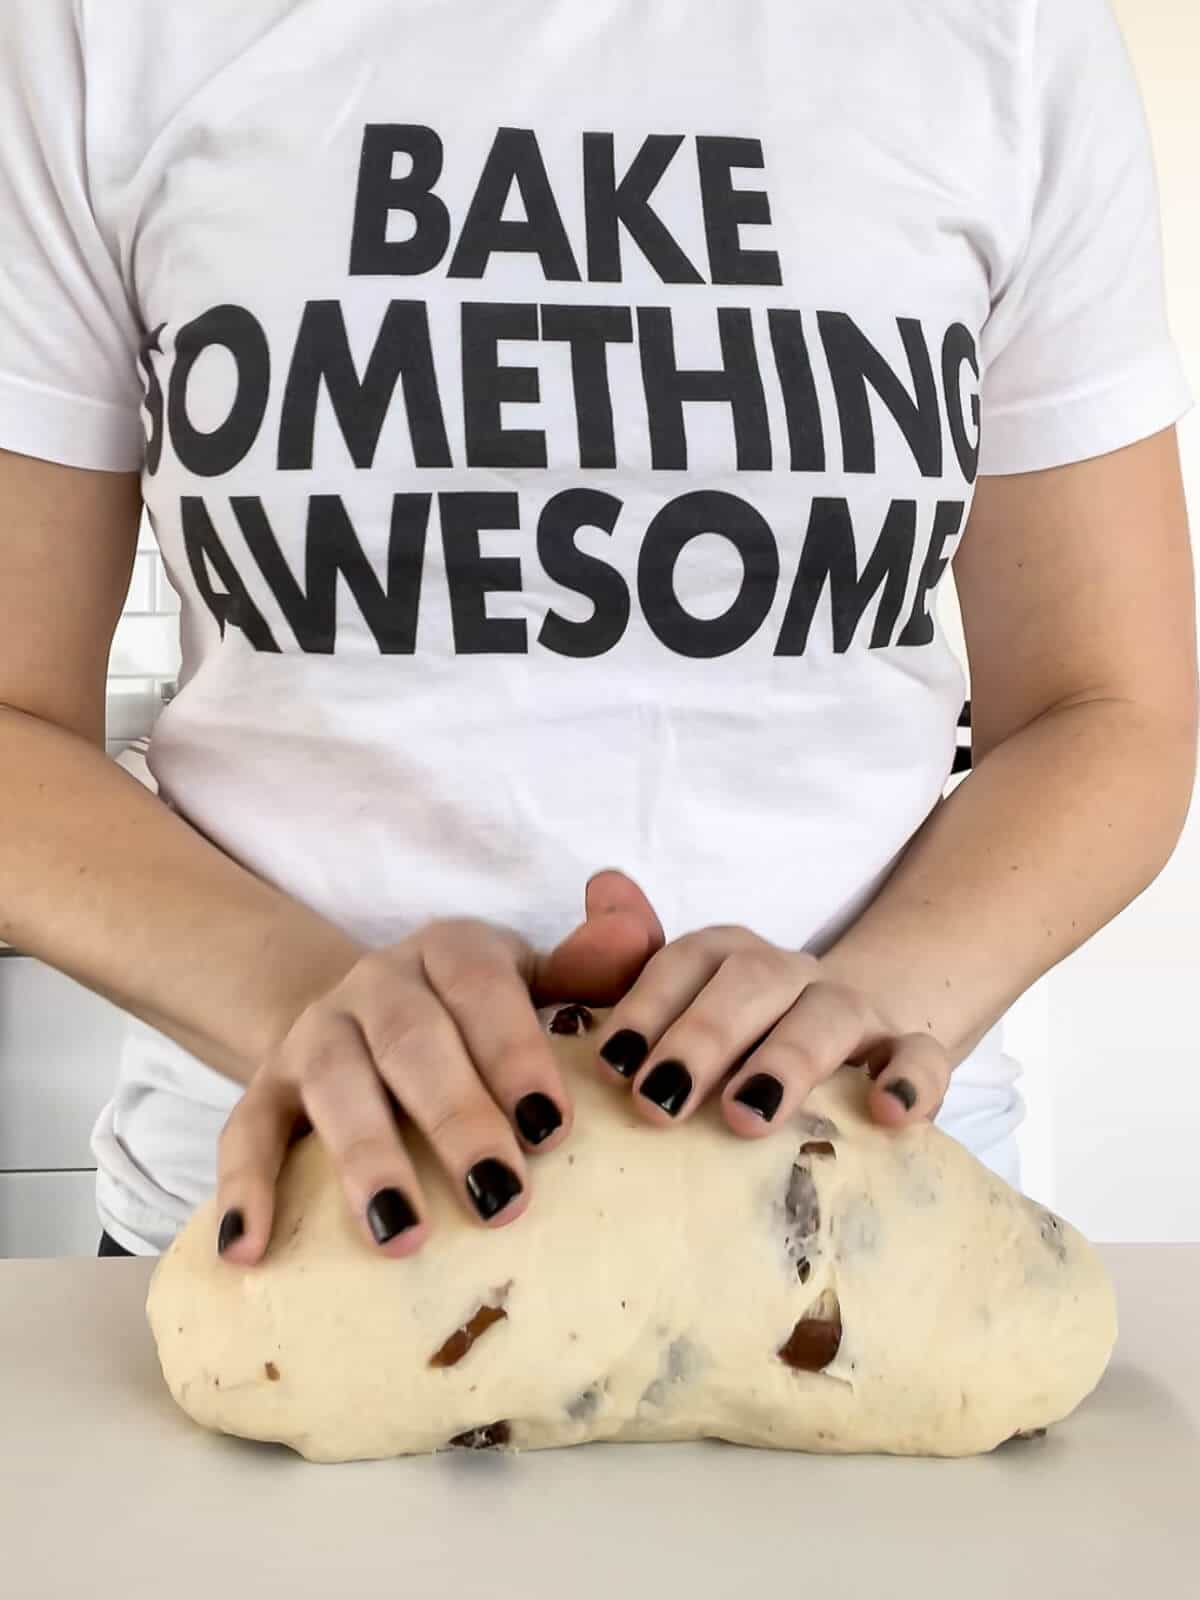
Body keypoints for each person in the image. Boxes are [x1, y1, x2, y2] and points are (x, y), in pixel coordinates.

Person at [0, 0, 1194, 1265]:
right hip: (296, 1230)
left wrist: (863, 1012)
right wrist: (327, 1014)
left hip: (855, 1225)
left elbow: (1109, 706)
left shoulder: (1010, 32)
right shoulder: (105, 26)